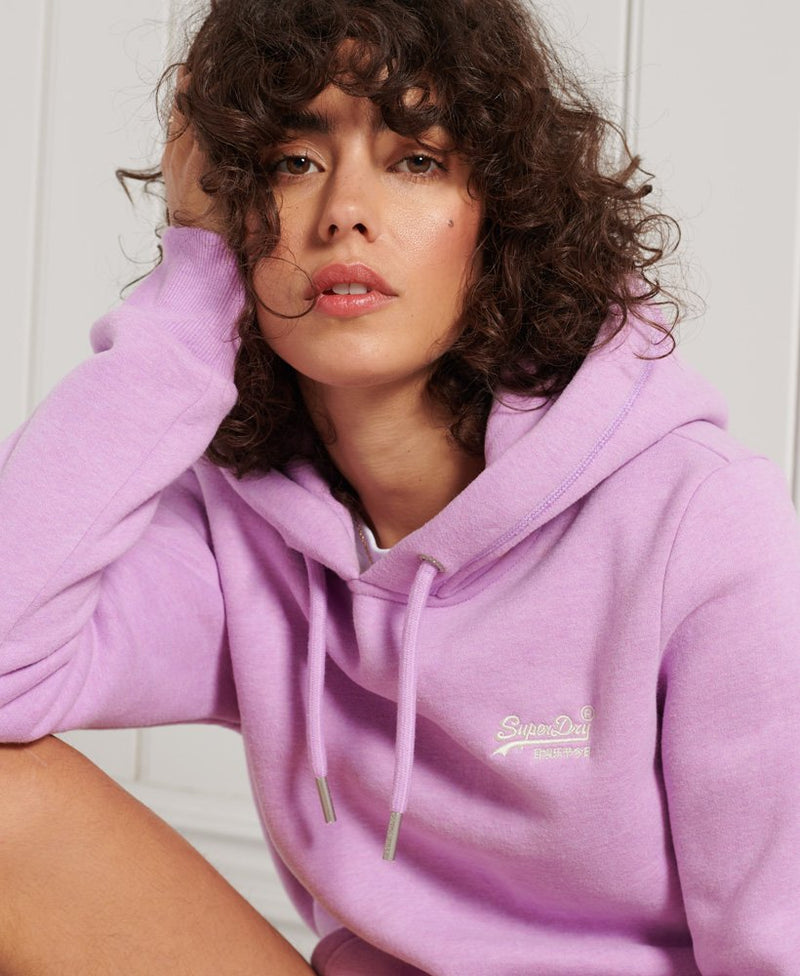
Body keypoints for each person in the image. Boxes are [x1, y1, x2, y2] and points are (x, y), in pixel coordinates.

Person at [1, 0, 799, 973]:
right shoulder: (240, 531)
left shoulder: (699, 522)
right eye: (293, 160)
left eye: (414, 159)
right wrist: (192, 280)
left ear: (500, 211)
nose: (345, 208)